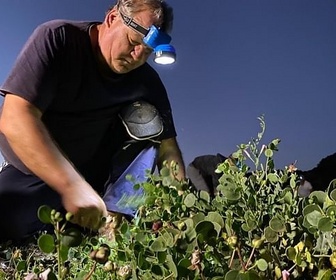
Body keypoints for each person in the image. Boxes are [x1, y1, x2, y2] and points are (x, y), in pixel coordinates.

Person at [0, 0, 185, 243]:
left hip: (97, 175)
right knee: (9, 221)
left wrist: (181, 209)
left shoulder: (146, 82)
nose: (138, 56)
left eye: (148, 52)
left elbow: (168, 150)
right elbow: (14, 118)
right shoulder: (58, 38)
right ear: (112, 19)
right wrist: (72, 186)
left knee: (151, 121)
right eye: (132, 42)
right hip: (38, 170)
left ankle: (117, 218)